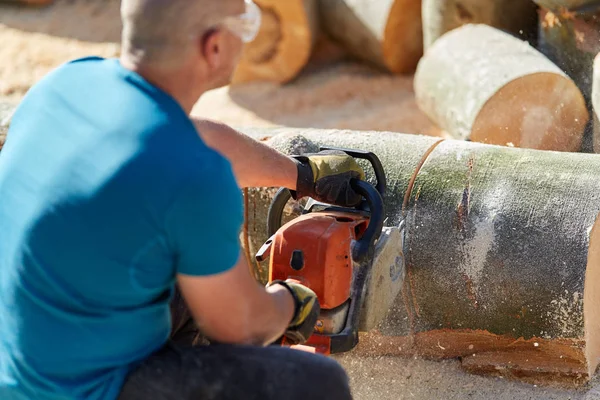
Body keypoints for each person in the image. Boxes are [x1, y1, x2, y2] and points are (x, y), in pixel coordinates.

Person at [0, 0, 366, 399]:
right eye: (244, 23)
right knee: (319, 382)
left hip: (23, 353)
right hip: (76, 389)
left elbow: (195, 138)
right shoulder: (191, 175)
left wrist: (299, 174)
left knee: (186, 276)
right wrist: (289, 302)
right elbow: (243, 325)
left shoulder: (67, 83)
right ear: (214, 46)